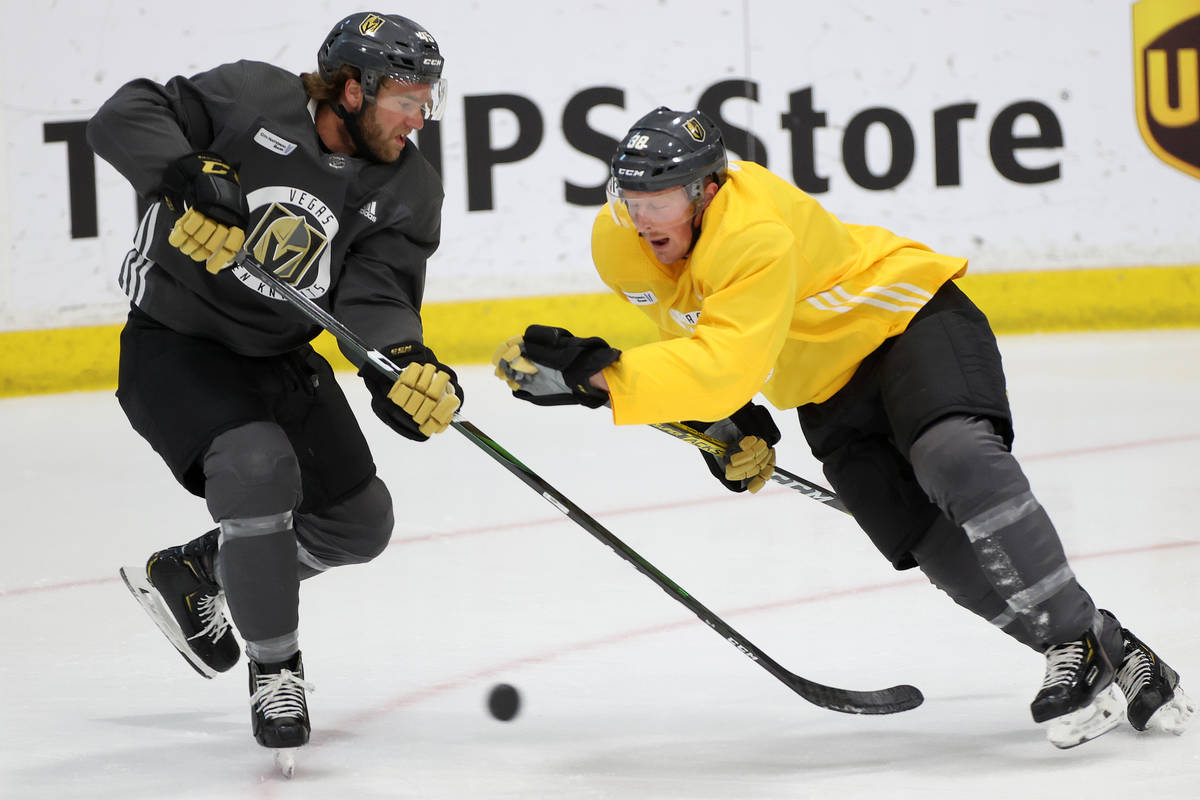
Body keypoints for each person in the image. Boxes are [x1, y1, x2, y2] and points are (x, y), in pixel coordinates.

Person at [493, 106, 1194, 748]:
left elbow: (727, 361)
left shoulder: (752, 229)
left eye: (661, 200)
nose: (643, 218)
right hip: (823, 391)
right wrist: (731, 426)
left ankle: (1069, 642)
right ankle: (1112, 649)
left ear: (705, 190)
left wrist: (602, 379)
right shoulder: (618, 242)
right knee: (940, 554)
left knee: (954, 459)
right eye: (631, 200)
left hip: (905, 325)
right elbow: (691, 330)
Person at [88, 12, 462, 758]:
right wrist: (188, 170)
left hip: (280, 355)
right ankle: (274, 668)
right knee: (258, 467)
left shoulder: (408, 183)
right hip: (176, 342)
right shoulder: (250, 97)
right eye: (406, 99)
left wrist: (403, 362)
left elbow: (378, 290)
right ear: (352, 90)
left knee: (360, 523)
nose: (419, 118)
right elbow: (123, 114)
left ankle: (196, 569)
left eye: (427, 101)